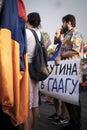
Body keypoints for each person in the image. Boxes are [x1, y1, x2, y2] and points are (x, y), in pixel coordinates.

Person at [55, 14, 83, 130]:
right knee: (67, 97)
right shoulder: (67, 34)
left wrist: (61, 56)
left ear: (69, 22)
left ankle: (76, 124)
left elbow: (74, 51)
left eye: (64, 22)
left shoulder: (76, 33)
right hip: (67, 70)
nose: (62, 25)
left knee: (74, 99)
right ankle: (72, 122)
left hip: (73, 70)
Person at [24, 12, 42, 130]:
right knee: (35, 103)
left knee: (27, 105)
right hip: (37, 69)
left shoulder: (26, 32)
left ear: (28, 20)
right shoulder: (40, 34)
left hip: (28, 69)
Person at [48, 28, 69, 125]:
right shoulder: (57, 46)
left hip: (62, 74)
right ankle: (57, 113)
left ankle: (64, 116)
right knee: (55, 96)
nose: (54, 35)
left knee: (63, 96)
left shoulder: (63, 44)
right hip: (55, 73)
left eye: (56, 33)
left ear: (61, 35)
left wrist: (61, 39)